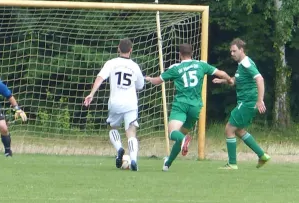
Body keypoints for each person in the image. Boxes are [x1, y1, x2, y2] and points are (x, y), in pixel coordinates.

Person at [145, 43, 233, 171]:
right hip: (196, 107)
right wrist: (229, 80)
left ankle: (184, 139)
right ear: (192, 53)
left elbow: (157, 81)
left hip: (181, 104)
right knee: (180, 136)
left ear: (180, 54)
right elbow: (221, 73)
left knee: (172, 133)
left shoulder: (176, 68)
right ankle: (167, 163)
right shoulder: (201, 65)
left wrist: (148, 78)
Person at [84, 38, 144, 171]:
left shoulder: (111, 63)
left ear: (118, 48)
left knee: (112, 127)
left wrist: (91, 94)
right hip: (130, 104)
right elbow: (140, 86)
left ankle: (119, 149)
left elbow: (100, 78)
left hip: (115, 103)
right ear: (131, 50)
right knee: (131, 132)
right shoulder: (134, 66)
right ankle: (133, 159)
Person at [212, 38, 270, 169]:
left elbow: (259, 79)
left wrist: (260, 100)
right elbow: (235, 81)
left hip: (247, 102)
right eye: (230, 51)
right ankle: (262, 155)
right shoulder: (241, 65)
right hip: (245, 102)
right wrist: (223, 81)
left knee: (229, 129)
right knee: (239, 130)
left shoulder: (247, 63)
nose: (232, 53)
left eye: (234, 51)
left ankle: (232, 164)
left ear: (241, 50)